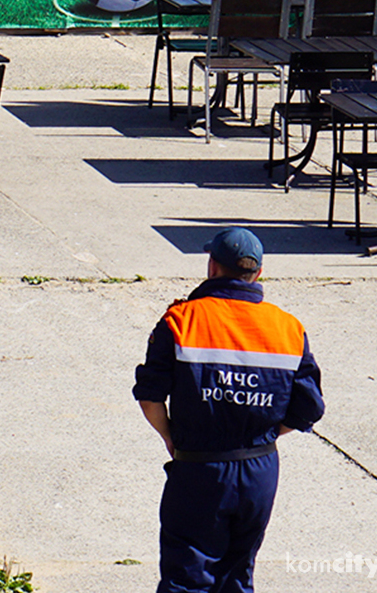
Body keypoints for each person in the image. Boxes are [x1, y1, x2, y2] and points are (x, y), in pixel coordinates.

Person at [133, 227, 324, 593]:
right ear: (259, 274)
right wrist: (265, 436)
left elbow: (150, 396)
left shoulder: (181, 321)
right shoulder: (288, 328)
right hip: (260, 471)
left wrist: (170, 438)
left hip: (199, 469)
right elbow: (308, 408)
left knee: (187, 577)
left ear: (212, 267)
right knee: (238, 576)